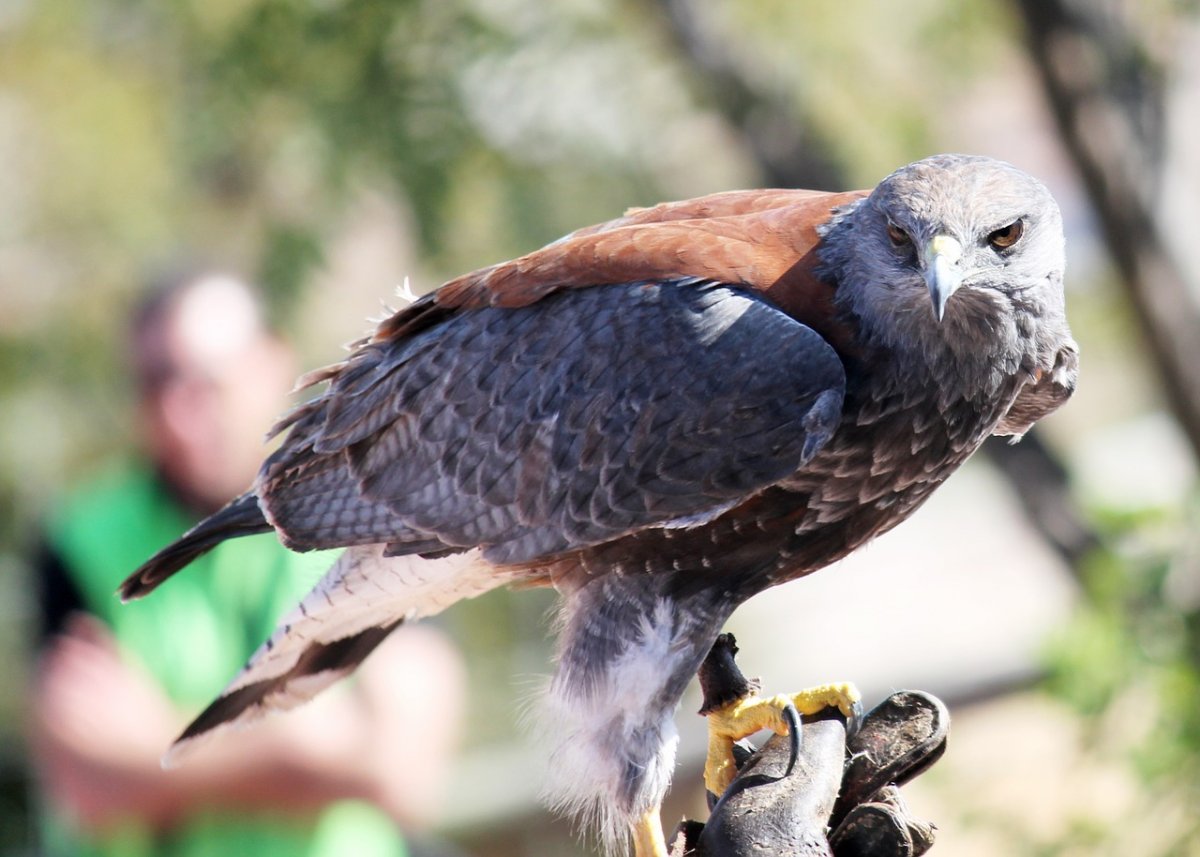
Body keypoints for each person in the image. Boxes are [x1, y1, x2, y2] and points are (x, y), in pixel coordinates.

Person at [29, 271, 466, 857]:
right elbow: (86, 785)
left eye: (206, 381)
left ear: (272, 362)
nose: (179, 415)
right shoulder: (79, 540)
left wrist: (156, 745)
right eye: (156, 384)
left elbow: (403, 770)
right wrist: (306, 749)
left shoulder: (382, 505)